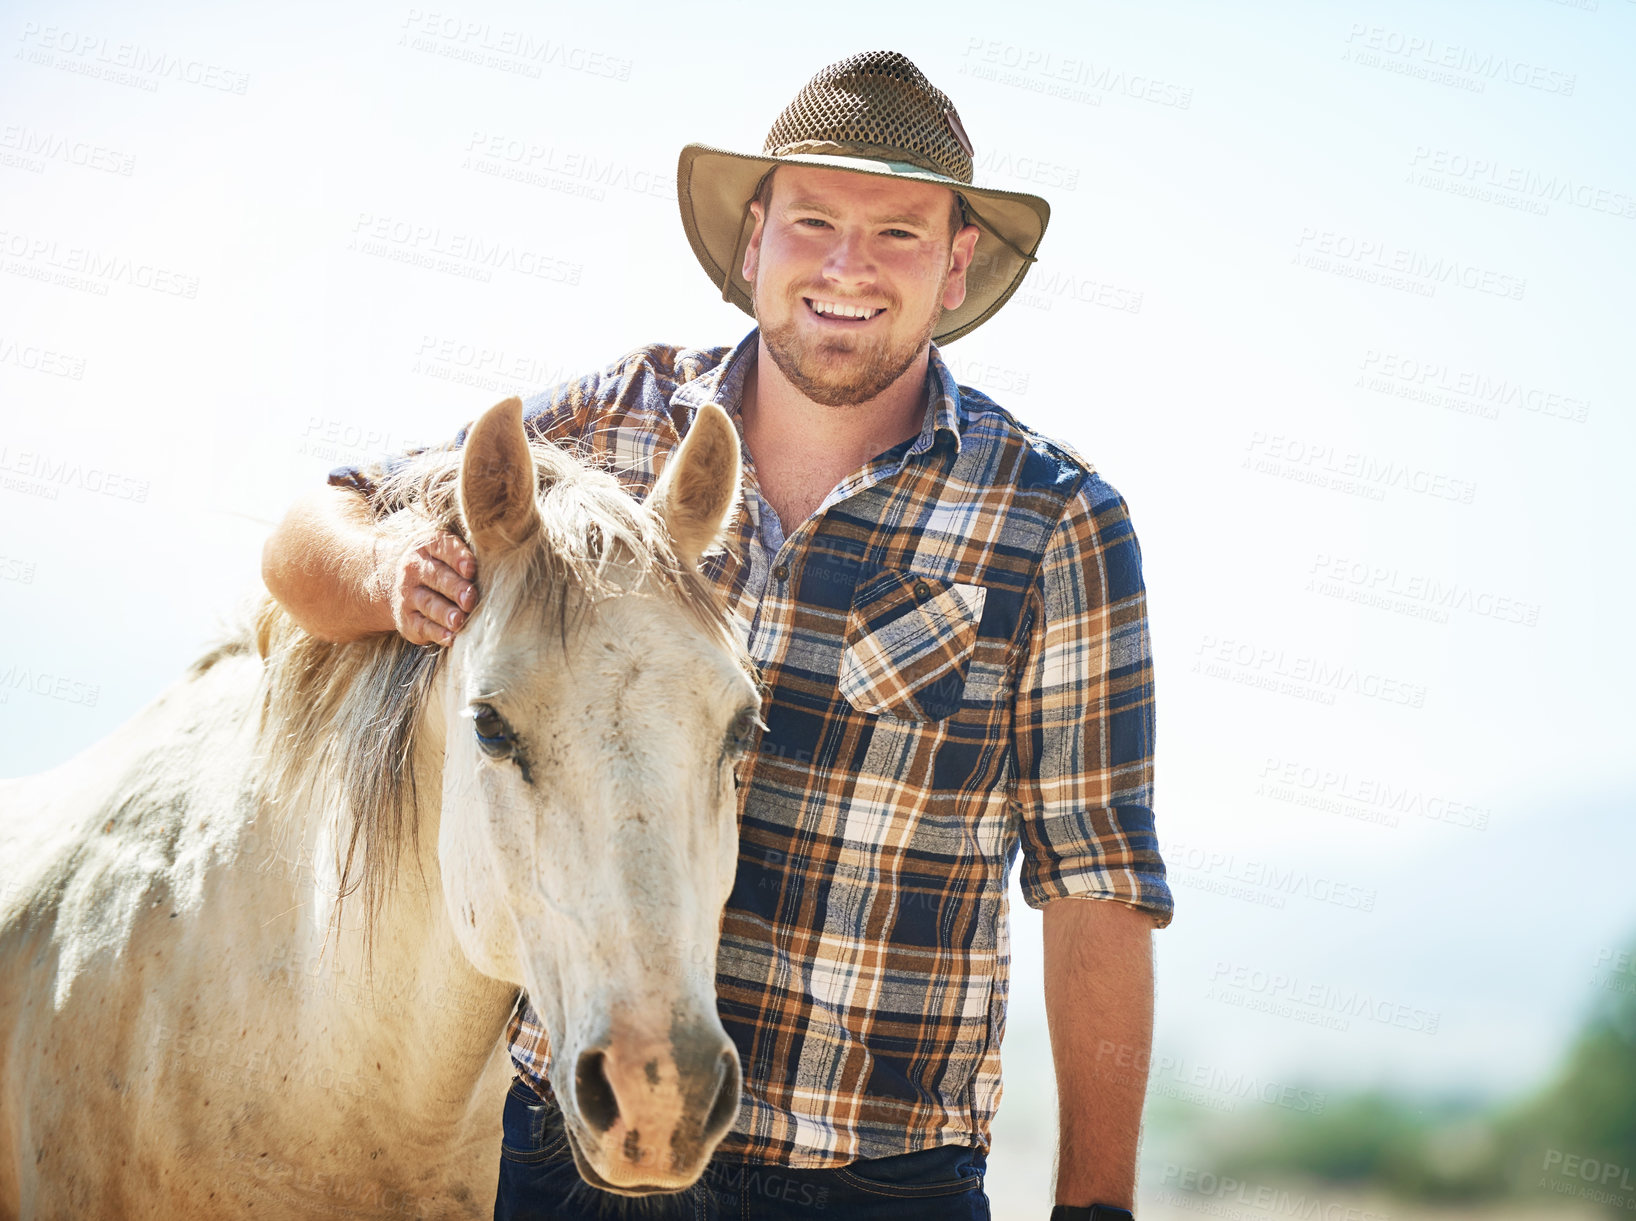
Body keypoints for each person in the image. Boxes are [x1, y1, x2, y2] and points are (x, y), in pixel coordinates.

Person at [263, 50, 1172, 1221]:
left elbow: (1095, 880)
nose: (848, 266)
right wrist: (391, 574)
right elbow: (306, 533)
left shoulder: (1053, 522)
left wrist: (1094, 1207)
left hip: (876, 1182)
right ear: (753, 243)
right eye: (812, 221)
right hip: (568, 1145)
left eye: (898, 232)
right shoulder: (598, 431)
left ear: (955, 267)